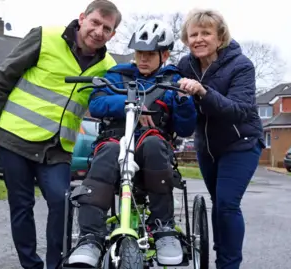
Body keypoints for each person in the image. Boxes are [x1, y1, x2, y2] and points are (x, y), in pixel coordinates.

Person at [0, 1, 121, 268]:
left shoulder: (108, 66)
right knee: (21, 204)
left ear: (112, 34)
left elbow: (111, 99)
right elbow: (5, 75)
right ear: (82, 19)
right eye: (95, 23)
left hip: (57, 147)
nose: (99, 31)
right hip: (15, 137)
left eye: (107, 28)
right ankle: (31, 265)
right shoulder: (46, 36)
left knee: (62, 202)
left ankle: (57, 264)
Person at [64, 20, 197, 267]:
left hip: (152, 143)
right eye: (139, 53)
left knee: (155, 145)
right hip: (115, 138)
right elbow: (96, 104)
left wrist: (183, 101)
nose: (143, 59)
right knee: (108, 152)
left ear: (165, 55)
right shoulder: (117, 74)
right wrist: (133, 102)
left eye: (149, 54)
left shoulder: (173, 81)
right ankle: (90, 237)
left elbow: (186, 128)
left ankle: (163, 228)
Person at [176, 8, 265, 269]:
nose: (199, 39)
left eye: (206, 33)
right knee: (218, 203)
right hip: (208, 148)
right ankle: (219, 251)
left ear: (220, 37)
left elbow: (239, 109)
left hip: (241, 143)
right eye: (193, 34)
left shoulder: (241, 65)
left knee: (227, 204)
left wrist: (204, 91)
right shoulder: (186, 65)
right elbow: (165, 78)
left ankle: (229, 264)